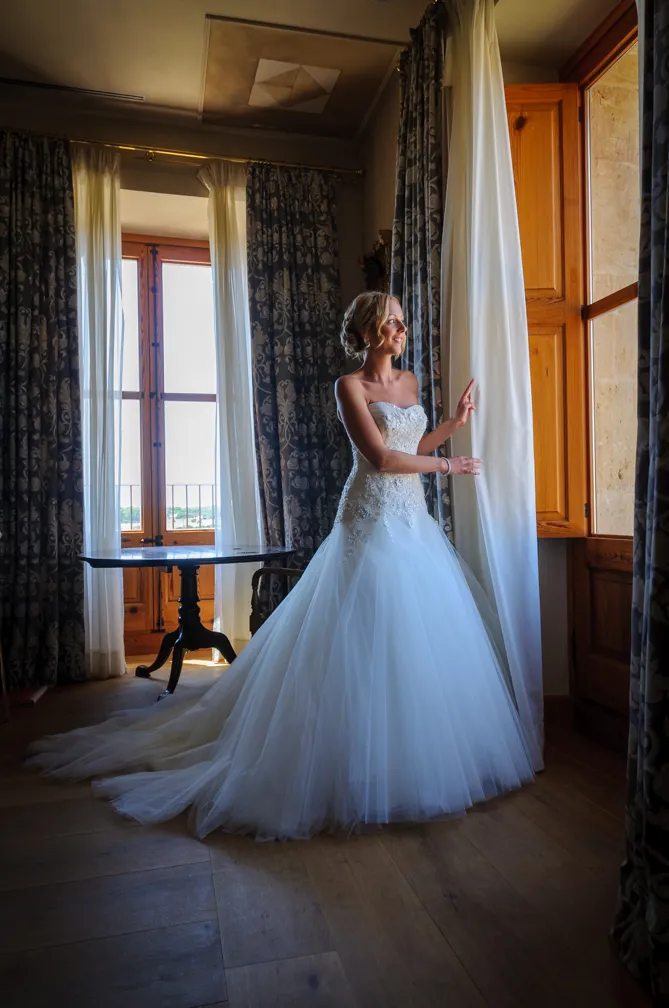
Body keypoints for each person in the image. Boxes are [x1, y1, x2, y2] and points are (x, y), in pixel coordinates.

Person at [27, 292, 534, 841]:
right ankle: (338, 765)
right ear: (366, 331)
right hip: (369, 520)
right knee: (360, 638)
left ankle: (412, 765)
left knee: (418, 642)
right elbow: (382, 459)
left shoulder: (409, 385)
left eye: (402, 321)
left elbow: (415, 441)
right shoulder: (349, 388)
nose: (399, 328)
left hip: (414, 523)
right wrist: (449, 463)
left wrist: (454, 424)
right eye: (389, 321)